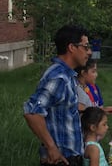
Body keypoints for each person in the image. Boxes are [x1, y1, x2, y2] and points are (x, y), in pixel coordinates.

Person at [23, 25, 91, 166]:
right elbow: (32, 112)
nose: (89, 52)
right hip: (61, 160)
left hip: (72, 157)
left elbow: (63, 109)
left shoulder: (68, 75)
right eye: (85, 47)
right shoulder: (59, 77)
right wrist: (51, 148)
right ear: (72, 47)